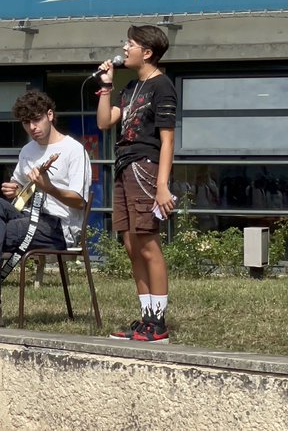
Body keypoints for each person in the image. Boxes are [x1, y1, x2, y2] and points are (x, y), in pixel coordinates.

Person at [0, 91, 89, 326]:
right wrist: (14, 190)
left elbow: (79, 201)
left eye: (36, 119)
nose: (32, 127)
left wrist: (49, 187)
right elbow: (22, 190)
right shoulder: (28, 151)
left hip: (58, 226)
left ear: (50, 115)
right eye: (26, 123)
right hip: (28, 215)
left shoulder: (74, 151)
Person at [98, 25, 177, 343]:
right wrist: (106, 86)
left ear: (147, 52)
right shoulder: (130, 87)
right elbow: (105, 122)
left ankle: (158, 323)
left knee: (147, 242)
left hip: (145, 168)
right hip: (123, 166)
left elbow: (168, 140)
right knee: (131, 244)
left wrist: (162, 184)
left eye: (129, 44)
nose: (123, 48)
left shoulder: (163, 86)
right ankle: (145, 318)